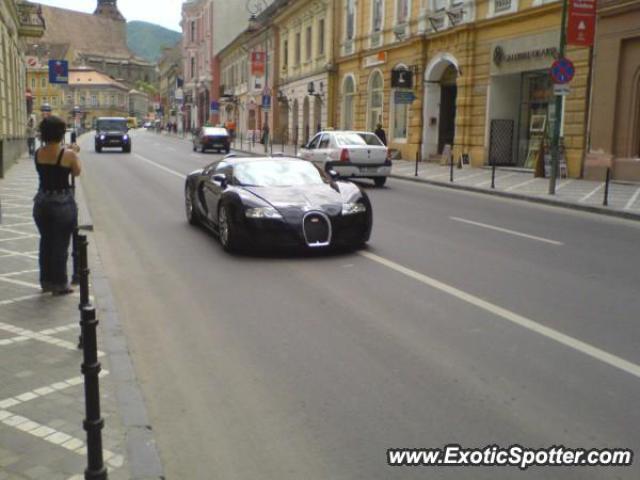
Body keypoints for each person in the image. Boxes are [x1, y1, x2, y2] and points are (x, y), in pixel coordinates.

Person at [33, 116, 81, 295]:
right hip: (62, 204)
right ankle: (60, 284)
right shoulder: (68, 154)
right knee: (60, 245)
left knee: (46, 242)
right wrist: (74, 152)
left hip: (41, 202)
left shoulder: (38, 153)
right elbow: (76, 172)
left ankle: (46, 281)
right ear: (61, 134)